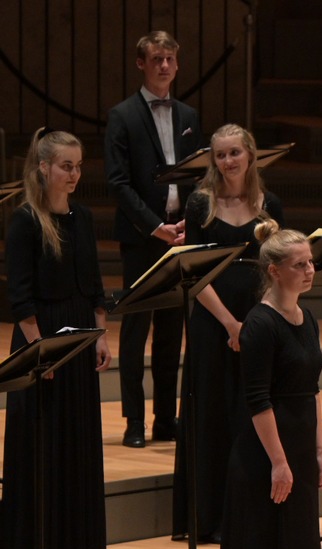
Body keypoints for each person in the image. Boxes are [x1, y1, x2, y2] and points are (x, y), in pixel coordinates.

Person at [211, 221, 322, 549]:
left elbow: (311, 392)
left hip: (300, 450)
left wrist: (319, 451)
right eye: (299, 264)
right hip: (265, 457)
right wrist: (280, 462)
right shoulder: (259, 324)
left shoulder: (308, 317)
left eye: (310, 262)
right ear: (274, 271)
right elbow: (257, 400)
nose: (309, 270)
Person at [0, 129, 111, 549]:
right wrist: (39, 352)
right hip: (41, 339)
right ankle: (37, 543)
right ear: (43, 167)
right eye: (67, 165)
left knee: (77, 438)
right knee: (42, 440)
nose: (75, 174)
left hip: (80, 337)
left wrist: (101, 333)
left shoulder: (81, 216)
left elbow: (95, 282)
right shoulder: (25, 220)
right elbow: (21, 298)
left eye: (79, 165)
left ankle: (76, 543)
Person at [172, 124, 284, 545]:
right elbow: (195, 275)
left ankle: (249, 513)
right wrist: (230, 324)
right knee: (213, 413)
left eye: (234, 153)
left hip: (258, 318)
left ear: (250, 155)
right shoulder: (200, 203)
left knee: (249, 411)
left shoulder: (269, 204)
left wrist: (254, 322)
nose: (227, 162)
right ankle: (208, 516)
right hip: (212, 322)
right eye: (220, 155)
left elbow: (280, 265)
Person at [105, 31, 202, 447]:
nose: (164, 66)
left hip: (179, 234)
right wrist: (154, 226)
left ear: (177, 66)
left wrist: (186, 227)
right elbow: (118, 183)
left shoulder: (189, 115)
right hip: (144, 238)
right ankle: (134, 423)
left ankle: (166, 419)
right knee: (135, 333)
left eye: (170, 59)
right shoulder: (122, 115)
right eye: (156, 59)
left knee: (170, 332)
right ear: (142, 64)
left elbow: (197, 175)